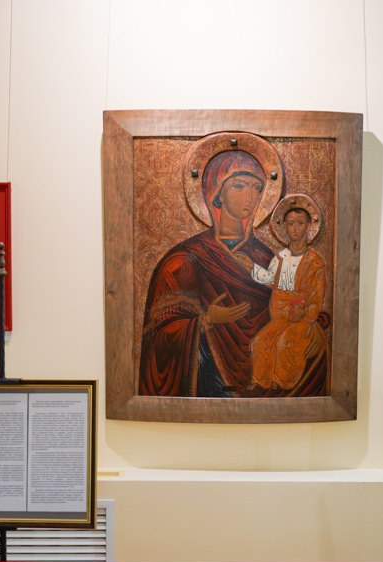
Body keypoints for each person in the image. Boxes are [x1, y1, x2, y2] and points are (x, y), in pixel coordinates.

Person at [138, 149, 327, 397]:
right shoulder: (184, 260)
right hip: (209, 383)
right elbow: (158, 335)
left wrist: (313, 327)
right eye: (239, 186)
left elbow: (293, 297)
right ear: (216, 194)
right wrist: (204, 321)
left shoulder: (265, 256)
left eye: (256, 188)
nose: (250, 197)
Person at [243, 207, 327, 391]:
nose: (295, 228)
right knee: (260, 342)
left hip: (301, 318)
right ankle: (260, 381)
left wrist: (306, 312)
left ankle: (282, 382)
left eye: (300, 223)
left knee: (284, 343)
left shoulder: (315, 262)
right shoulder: (281, 257)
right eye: (291, 224)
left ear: (308, 226)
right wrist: (250, 266)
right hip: (280, 316)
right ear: (285, 228)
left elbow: (316, 295)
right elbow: (269, 279)